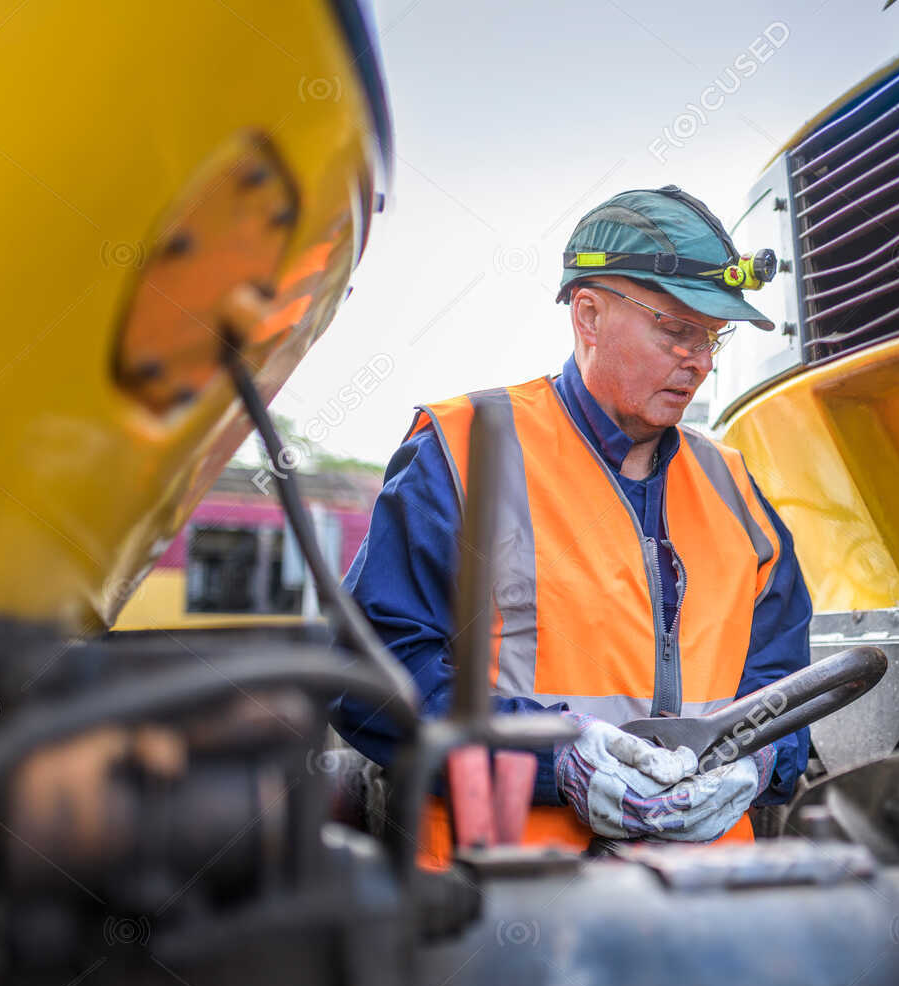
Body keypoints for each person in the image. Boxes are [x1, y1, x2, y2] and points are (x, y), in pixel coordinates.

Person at [331, 185, 811, 853]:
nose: (700, 361)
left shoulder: (734, 488)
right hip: (506, 911)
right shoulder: (462, 452)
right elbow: (372, 683)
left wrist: (760, 763)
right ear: (587, 315)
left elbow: (784, 682)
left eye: (713, 337)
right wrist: (557, 760)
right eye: (677, 330)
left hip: (709, 917)